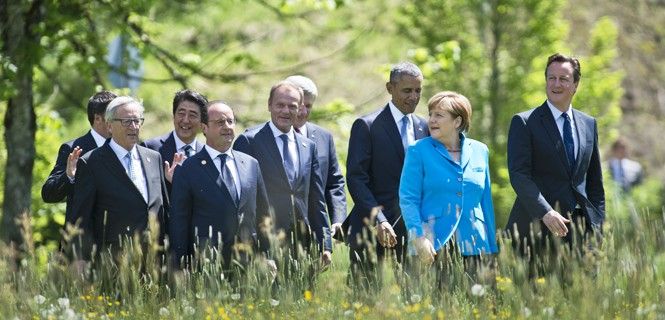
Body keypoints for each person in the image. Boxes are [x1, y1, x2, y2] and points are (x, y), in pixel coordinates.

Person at [505, 53, 605, 270]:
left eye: (563, 79)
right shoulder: (525, 122)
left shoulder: (589, 124)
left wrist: (597, 225)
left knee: (583, 301)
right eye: (551, 78)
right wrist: (546, 212)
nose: (556, 84)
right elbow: (519, 176)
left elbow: (595, 182)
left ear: (575, 84)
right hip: (536, 231)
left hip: (581, 233)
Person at [233, 81, 332, 290]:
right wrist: (254, 250)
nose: (286, 111)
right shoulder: (249, 141)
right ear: (269, 105)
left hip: (304, 245)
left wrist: (325, 245)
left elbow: (316, 198)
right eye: (280, 105)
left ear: (301, 108)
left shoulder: (308, 146)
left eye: (292, 106)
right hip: (264, 245)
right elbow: (243, 201)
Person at [399, 91, 498, 289]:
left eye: (439, 115)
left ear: (457, 121)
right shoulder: (418, 150)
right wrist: (419, 238)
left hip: (476, 245)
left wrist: (492, 249)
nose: (431, 120)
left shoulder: (480, 150)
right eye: (431, 114)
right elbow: (408, 199)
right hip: (432, 246)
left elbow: (485, 201)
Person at [345, 61, 429, 292]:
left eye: (418, 90)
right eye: (407, 90)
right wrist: (379, 220)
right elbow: (356, 178)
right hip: (372, 231)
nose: (414, 97)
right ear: (390, 88)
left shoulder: (425, 127)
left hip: (413, 231)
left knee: (414, 300)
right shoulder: (367, 126)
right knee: (366, 301)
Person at [169, 101, 272, 280]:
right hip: (208, 265)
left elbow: (263, 215)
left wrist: (268, 255)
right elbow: (179, 221)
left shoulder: (250, 164)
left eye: (230, 122)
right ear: (204, 128)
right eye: (219, 122)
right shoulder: (188, 168)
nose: (227, 127)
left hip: (249, 264)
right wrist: (181, 265)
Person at [69, 96, 169, 259]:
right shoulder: (91, 162)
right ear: (109, 126)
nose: (134, 126)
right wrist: (80, 260)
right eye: (127, 121)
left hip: (154, 261)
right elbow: (82, 219)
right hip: (113, 262)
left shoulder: (154, 158)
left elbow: (163, 209)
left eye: (137, 121)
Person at [41, 91, 117, 225]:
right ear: (98, 119)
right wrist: (68, 176)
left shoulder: (124, 148)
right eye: (113, 115)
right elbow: (48, 194)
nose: (118, 120)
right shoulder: (74, 148)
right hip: (83, 239)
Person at [285, 75, 347, 238]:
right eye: (298, 105)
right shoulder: (260, 139)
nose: (303, 112)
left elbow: (334, 183)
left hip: (317, 234)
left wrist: (338, 218)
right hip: (277, 233)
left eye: (309, 106)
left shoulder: (323, 137)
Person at [142, 89, 208, 192]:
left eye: (192, 115)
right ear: (174, 116)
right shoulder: (150, 148)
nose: (186, 120)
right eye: (181, 113)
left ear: (202, 122)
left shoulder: (207, 154)